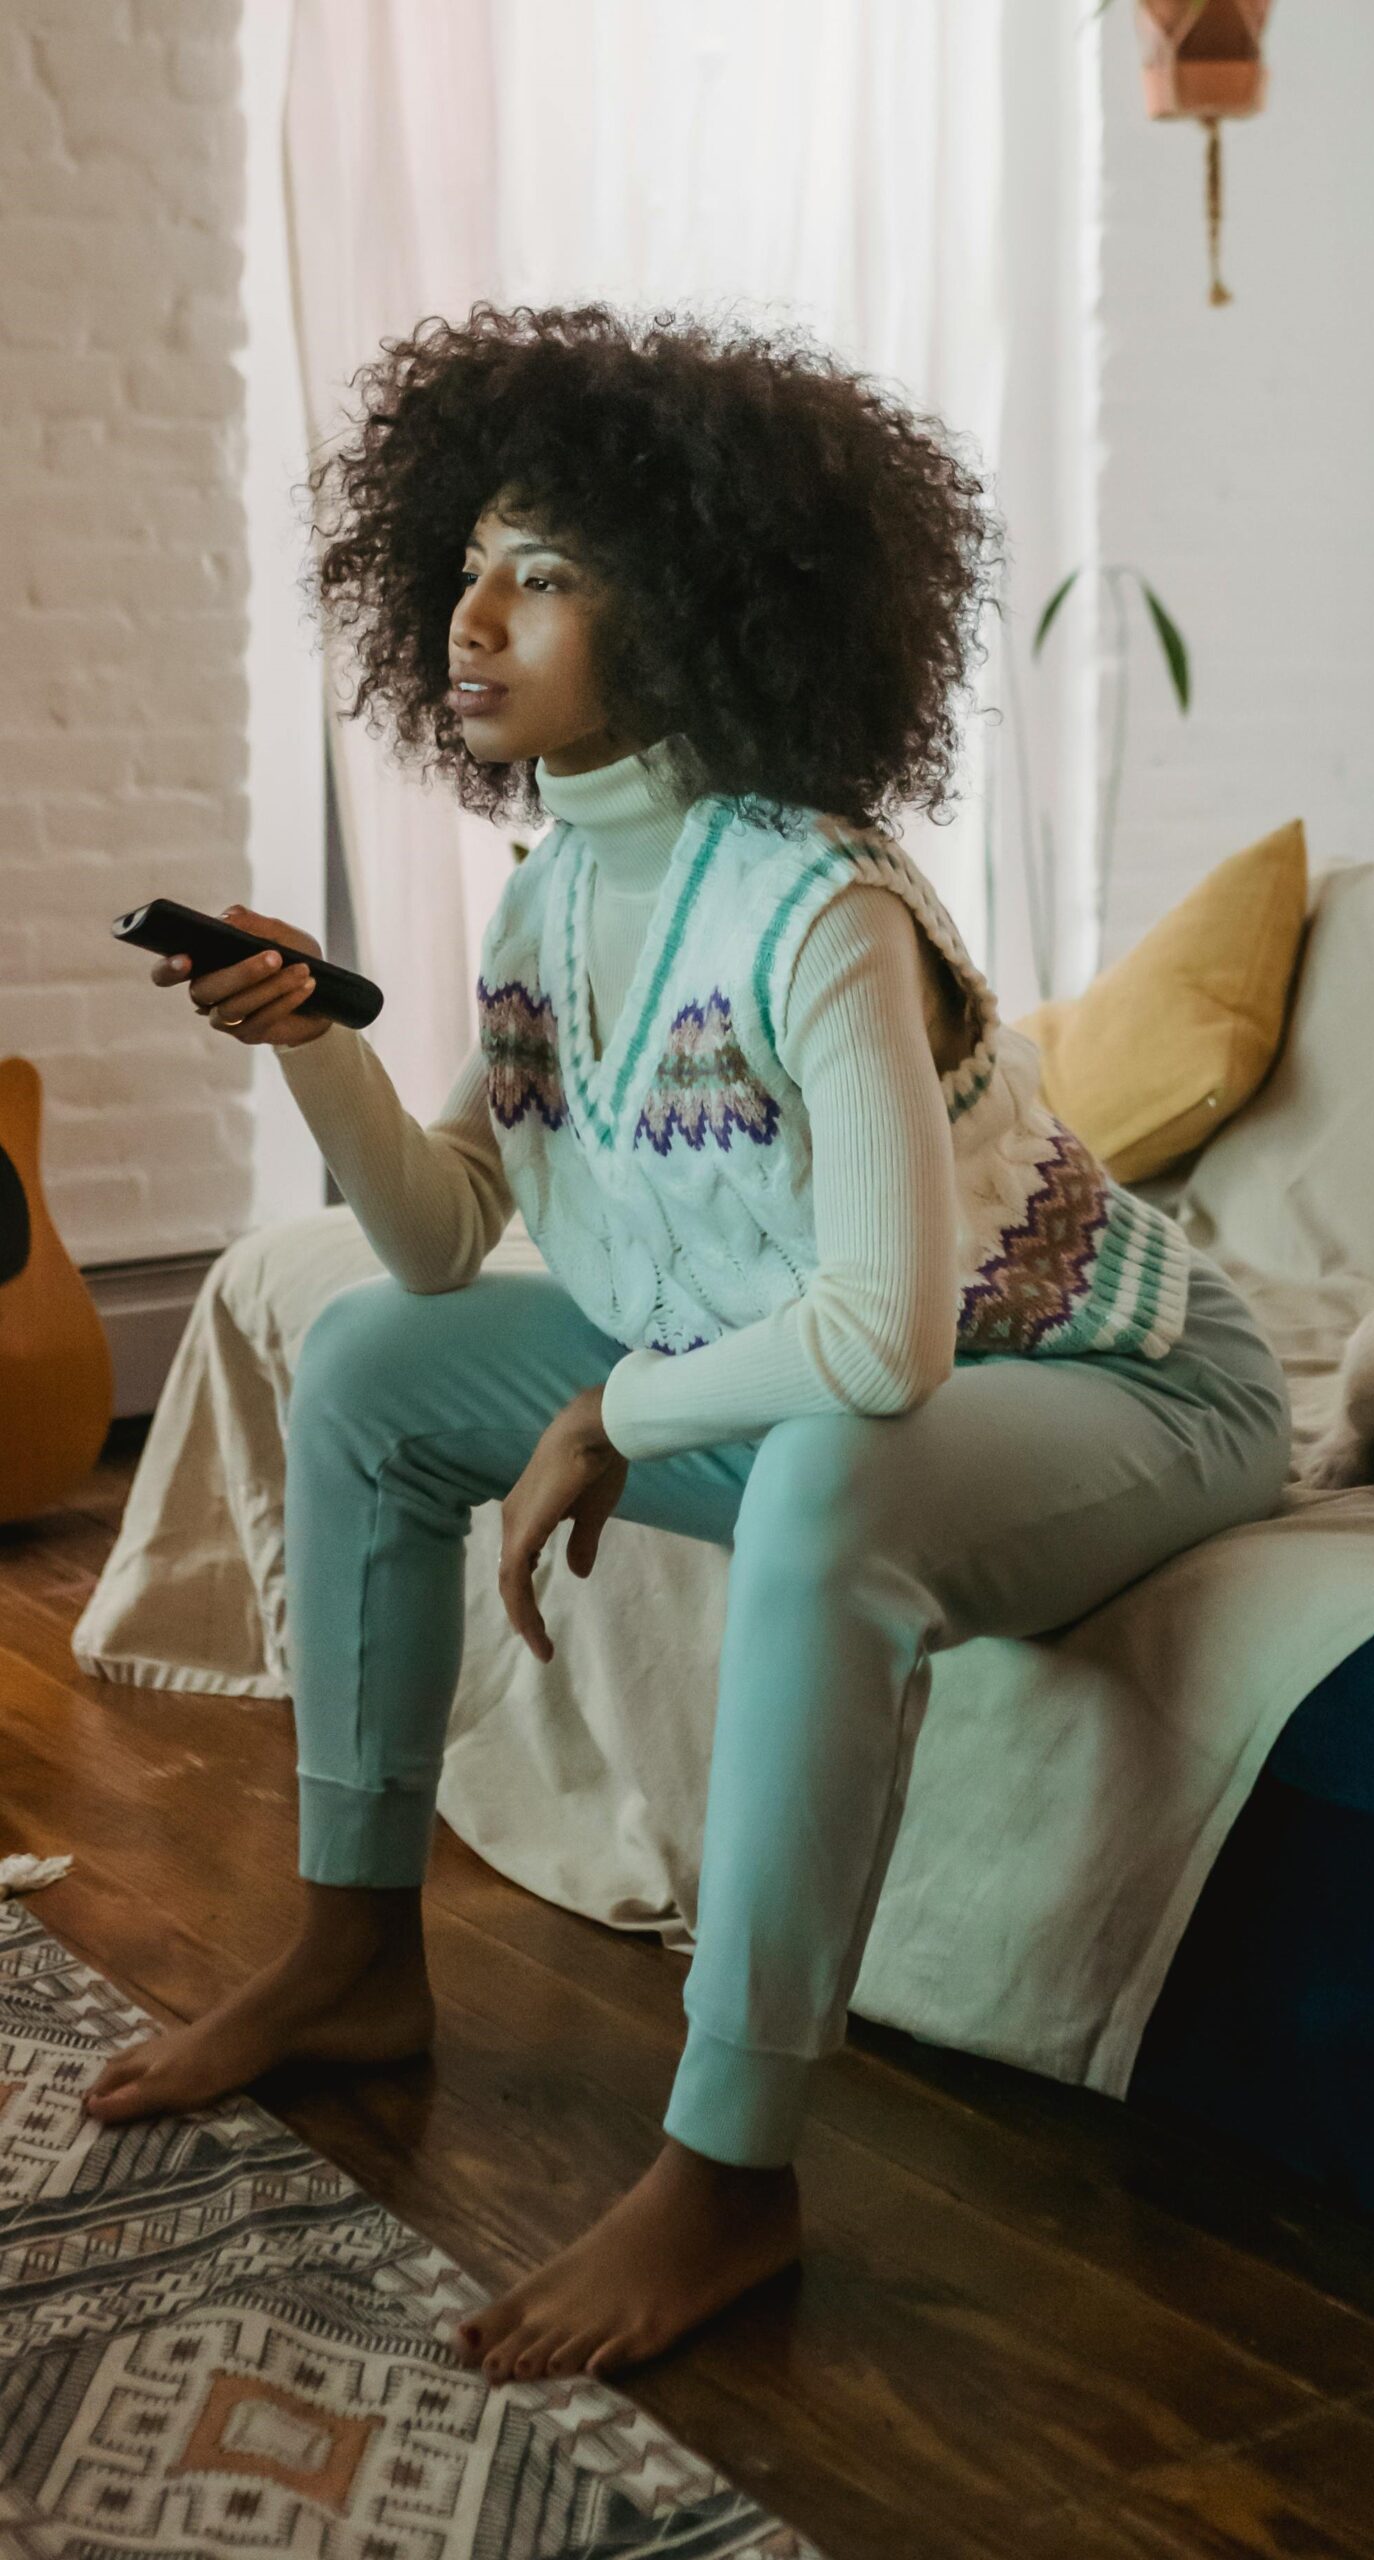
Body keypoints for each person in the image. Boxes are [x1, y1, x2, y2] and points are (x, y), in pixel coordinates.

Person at [85, 302, 1296, 2385]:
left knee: (829, 1462)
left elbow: (889, 1336)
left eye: (542, 572)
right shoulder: (557, 895)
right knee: (371, 1363)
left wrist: (613, 1409)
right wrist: (314, 1051)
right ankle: (357, 1949)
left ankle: (732, 2162)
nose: (471, 615)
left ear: (698, 606)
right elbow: (448, 1233)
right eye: (463, 564)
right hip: (839, 1371)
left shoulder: (816, 903)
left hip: (1123, 1390)